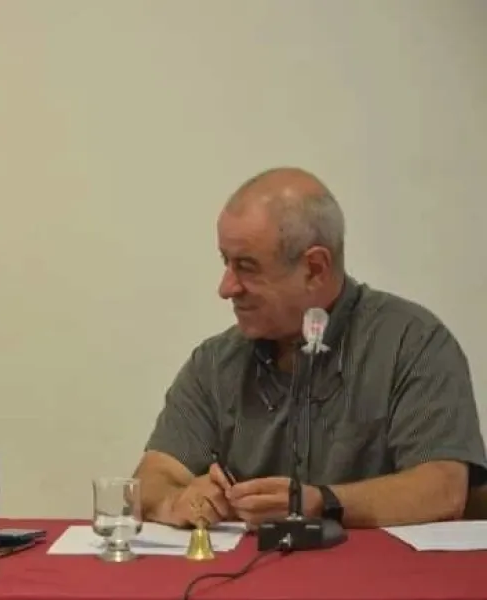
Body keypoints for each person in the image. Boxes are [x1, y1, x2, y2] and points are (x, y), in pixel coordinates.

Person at [133, 167, 487, 530]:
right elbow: (151, 477)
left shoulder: (411, 343)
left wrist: (322, 502)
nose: (226, 288)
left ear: (315, 269)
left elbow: (443, 489)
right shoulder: (215, 363)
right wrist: (175, 501)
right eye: (226, 262)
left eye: (247, 267)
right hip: (245, 583)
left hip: (380, 581)